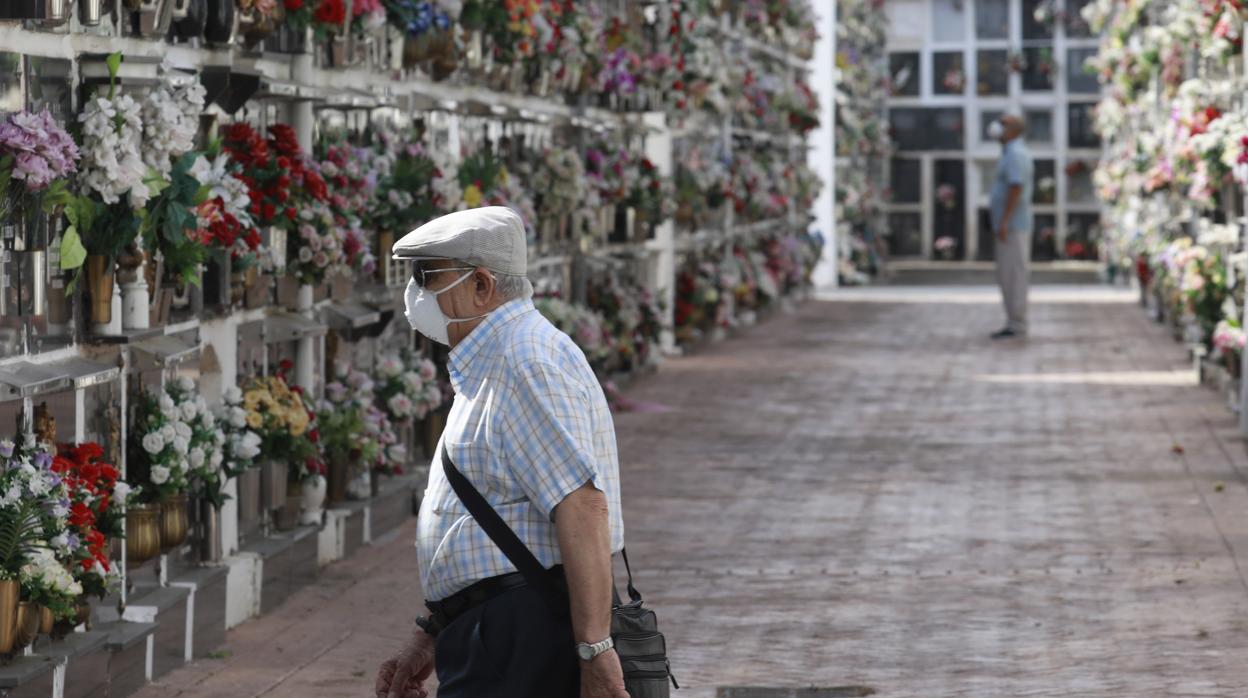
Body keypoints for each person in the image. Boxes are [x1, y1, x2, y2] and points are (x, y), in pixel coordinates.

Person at [374, 207, 629, 698]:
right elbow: (491, 509)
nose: (415, 293)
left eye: (428, 276)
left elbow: (581, 505)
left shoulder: (524, 360)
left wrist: (596, 652)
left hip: (519, 632)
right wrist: (431, 631)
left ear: (482, 286)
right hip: (491, 628)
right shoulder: (493, 358)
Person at [988, 113, 1035, 339]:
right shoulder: (1009, 152)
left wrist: (1005, 220)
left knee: (1014, 274)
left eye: (1003, 124)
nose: (997, 127)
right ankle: (1013, 321)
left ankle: (1017, 323)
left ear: (1014, 130)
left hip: (1014, 225)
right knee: (1006, 274)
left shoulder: (1016, 153)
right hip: (1008, 224)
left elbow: (1016, 188)